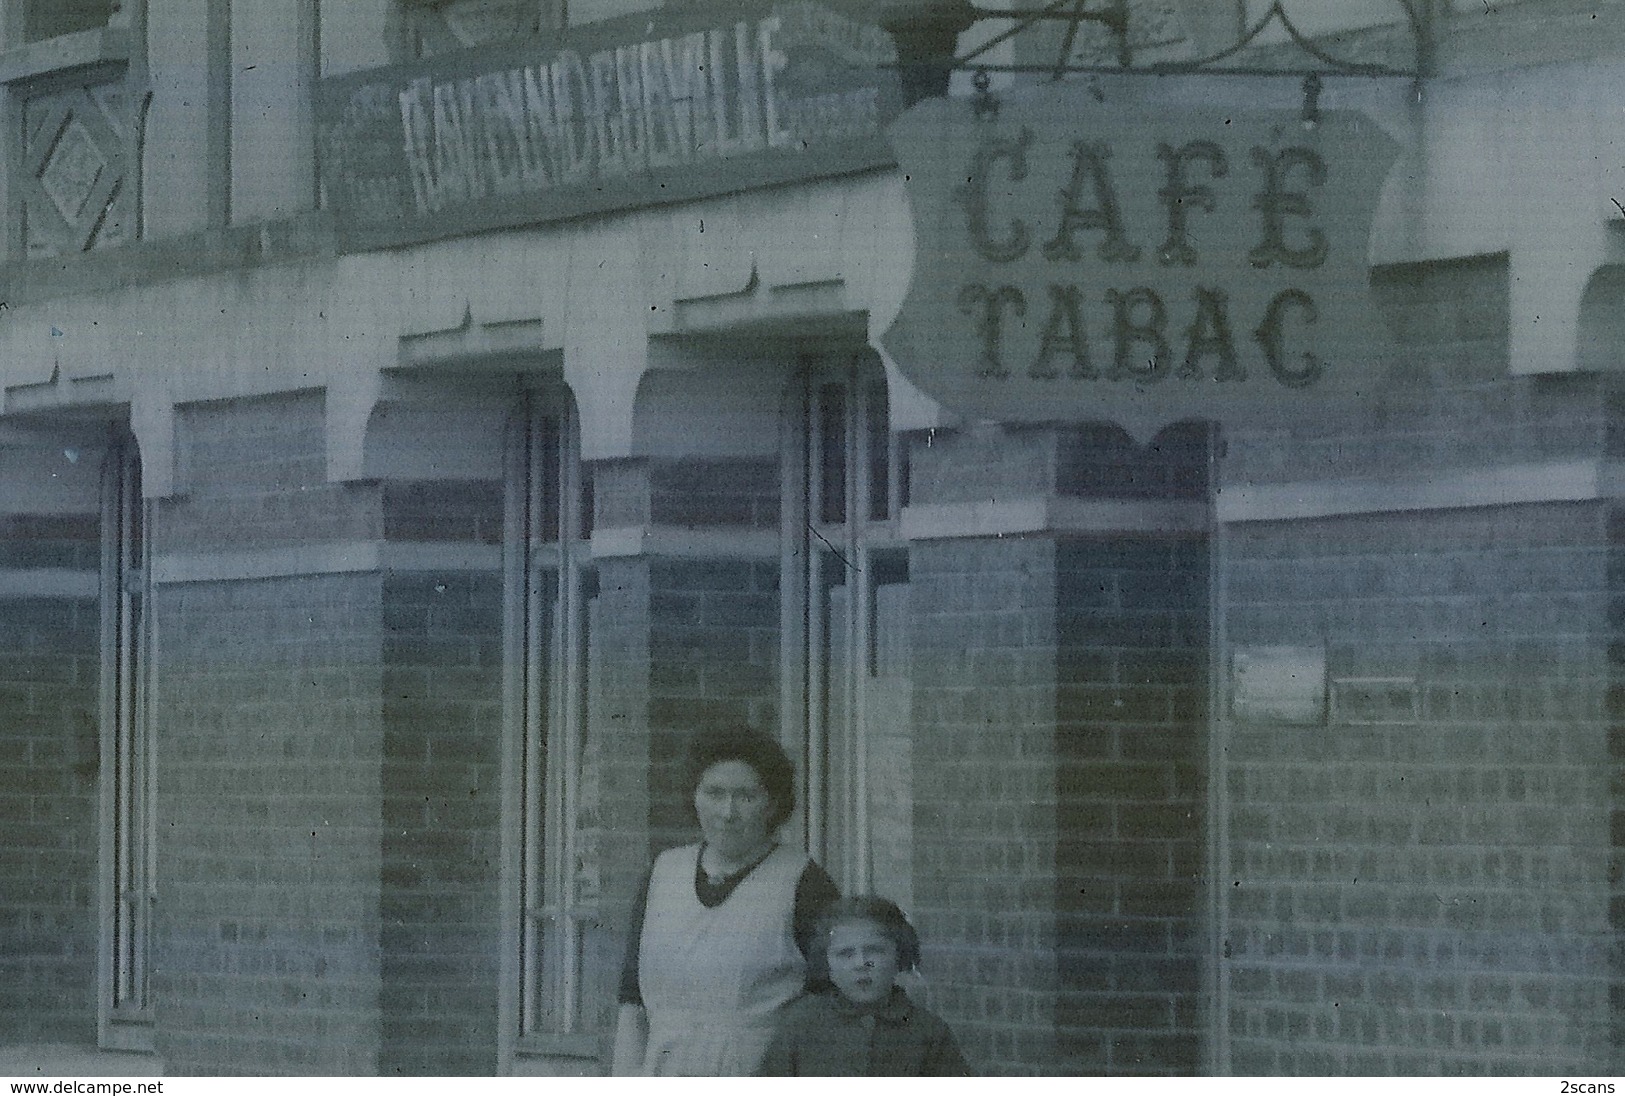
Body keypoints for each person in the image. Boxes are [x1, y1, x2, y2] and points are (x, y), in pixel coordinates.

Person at [611, 727, 839, 1076]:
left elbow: (833, 1010)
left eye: (746, 796)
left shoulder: (804, 882)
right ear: (694, 797)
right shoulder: (663, 873)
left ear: (773, 803)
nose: (728, 812)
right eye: (714, 793)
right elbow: (633, 1005)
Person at [756, 896, 970, 1076]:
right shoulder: (801, 1026)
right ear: (827, 963)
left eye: (875, 951)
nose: (861, 963)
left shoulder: (928, 1032)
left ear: (900, 955)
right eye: (846, 954)